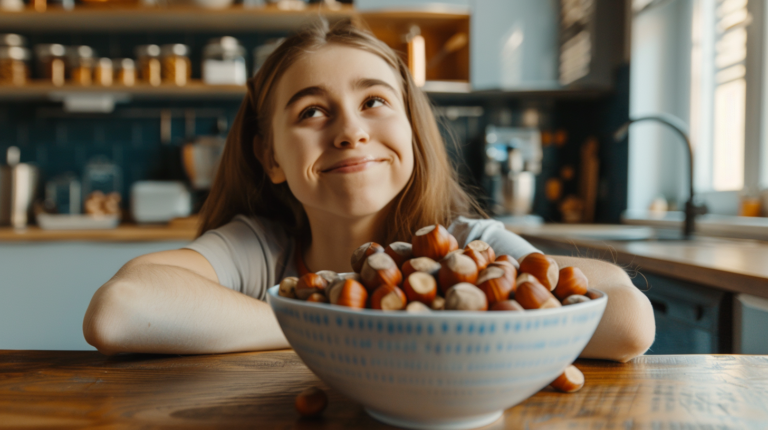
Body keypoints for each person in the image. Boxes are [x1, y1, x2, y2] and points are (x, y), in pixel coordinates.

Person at [83, 21, 655, 361]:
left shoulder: (466, 247)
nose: (351, 130)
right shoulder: (256, 249)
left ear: (410, 128)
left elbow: (626, 317)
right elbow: (120, 309)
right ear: (271, 157)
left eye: (374, 101)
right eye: (312, 111)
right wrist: (341, 321)